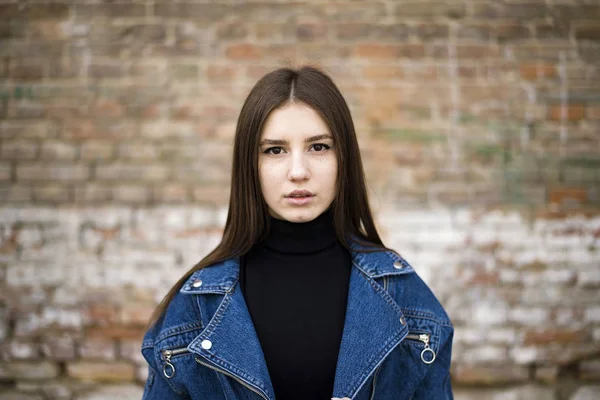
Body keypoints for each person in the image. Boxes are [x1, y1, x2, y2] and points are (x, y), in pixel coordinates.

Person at [140, 65, 454, 400]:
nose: (298, 172)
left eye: (318, 147)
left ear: (344, 156)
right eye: (275, 150)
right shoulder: (196, 308)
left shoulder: (403, 296)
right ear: (250, 164)